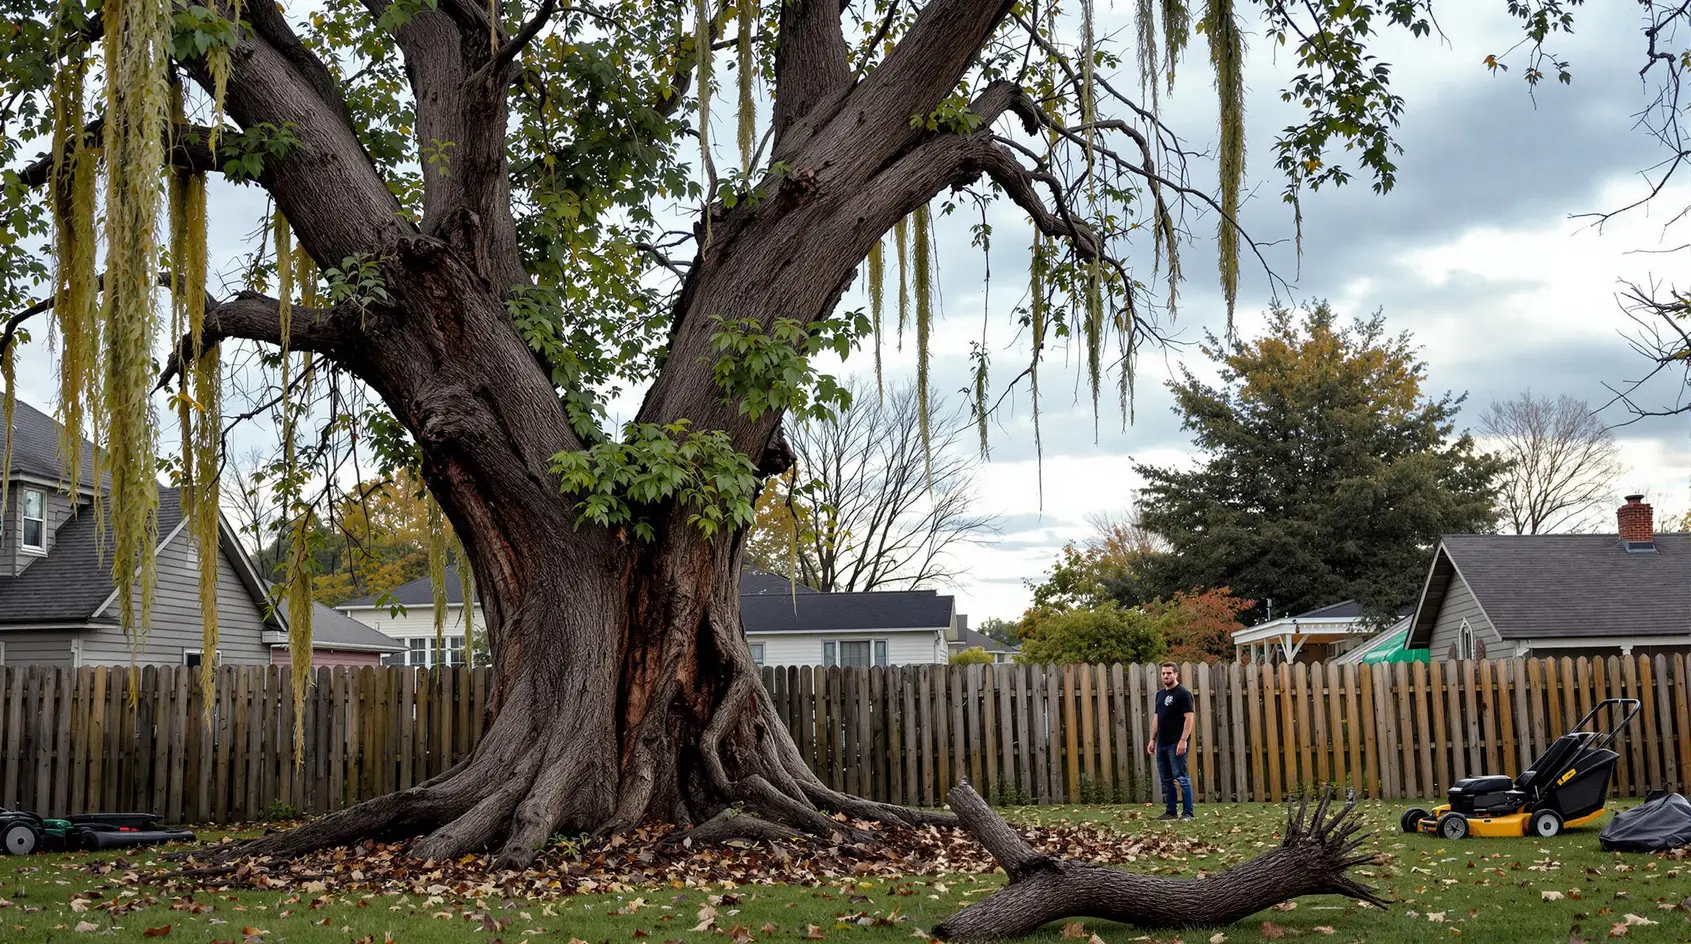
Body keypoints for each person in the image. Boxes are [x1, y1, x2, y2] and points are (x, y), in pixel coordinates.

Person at [1145, 661, 1195, 819]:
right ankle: (1171, 812)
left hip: (1176, 743)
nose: (1166, 676)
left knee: (1181, 778)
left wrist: (1183, 740)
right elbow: (1157, 718)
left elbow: (1189, 718)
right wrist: (1152, 739)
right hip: (1162, 743)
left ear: (1176, 674)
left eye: (1169, 673)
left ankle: (1187, 813)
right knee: (1166, 779)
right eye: (1163, 673)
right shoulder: (1160, 695)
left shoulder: (1183, 694)